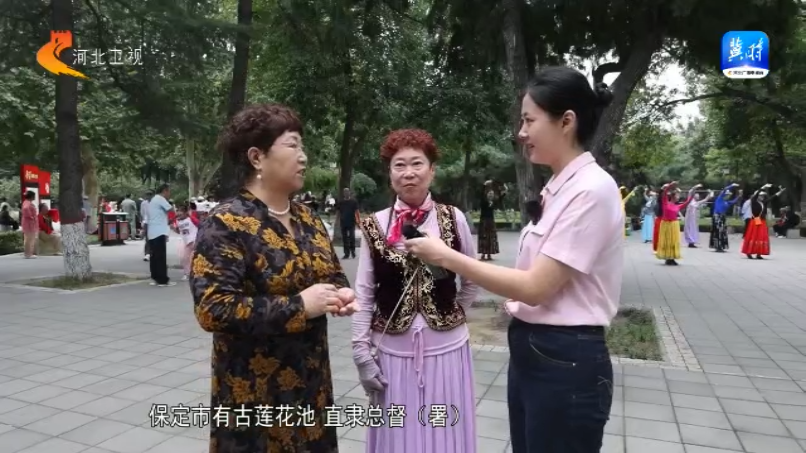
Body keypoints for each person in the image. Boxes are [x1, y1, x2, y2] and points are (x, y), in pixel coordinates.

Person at [405, 66, 622, 452]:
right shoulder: (559, 187)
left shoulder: (590, 190)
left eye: (529, 120)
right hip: (535, 350)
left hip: (565, 357)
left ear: (566, 121)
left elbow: (536, 287)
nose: (521, 132)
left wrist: (447, 257)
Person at [189, 103, 359, 452]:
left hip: (311, 386)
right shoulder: (226, 223)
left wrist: (340, 294)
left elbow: (330, 273)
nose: (304, 157)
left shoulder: (308, 219)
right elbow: (213, 309)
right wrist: (300, 306)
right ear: (257, 157)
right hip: (254, 392)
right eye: (293, 145)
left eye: (302, 146)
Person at [351, 128, 479, 453]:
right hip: (391, 353)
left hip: (447, 351)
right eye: (399, 165)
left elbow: (472, 277)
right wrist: (361, 352)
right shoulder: (374, 224)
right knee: (399, 435)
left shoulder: (453, 218)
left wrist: (452, 313)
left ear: (432, 170)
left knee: (445, 431)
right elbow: (364, 292)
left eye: (417, 163)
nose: (408, 172)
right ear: (389, 173)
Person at [656, 182, 699, 265]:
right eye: (677, 195)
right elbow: (664, 192)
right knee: (667, 241)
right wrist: (671, 185)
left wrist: (693, 191)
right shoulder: (665, 202)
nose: (679, 197)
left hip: (674, 225)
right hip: (666, 225)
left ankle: (672, 257)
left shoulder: (678, 206)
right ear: (673, 196)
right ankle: (668, 258)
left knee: (674, 242)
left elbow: (688, 201)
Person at [742, 184, 785, 259]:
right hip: (755, 221)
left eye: (763, 196)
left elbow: (772, 197)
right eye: (760, 195)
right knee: (753, 236)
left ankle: (759, 253)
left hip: (762, 221)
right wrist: (762, 188)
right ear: (757, 196)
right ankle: (749, 252)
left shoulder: (764, 203)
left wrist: (780, 192)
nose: (762, 197)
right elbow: (755, 195)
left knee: (761, 237)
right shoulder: (753, 202)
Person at [146, 184, 175, 287]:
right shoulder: (160, 199)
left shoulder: (153, 200)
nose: (169, 194)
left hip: (152, 232)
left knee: (154, 256)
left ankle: (155, 278)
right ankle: (162, 280)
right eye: (169, 191)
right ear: (164, 191)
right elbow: (171, 210)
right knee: (161, 257)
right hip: (159, 232)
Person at [708, 183, 741, 253]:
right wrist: (732, 185)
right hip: (717, 217)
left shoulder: (727, 202)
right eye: (727, 195)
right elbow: (725, 189)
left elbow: (734, 201)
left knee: (722, 232)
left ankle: (721, 246)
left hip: (722, 217)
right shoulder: (719, 199)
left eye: (729, 195)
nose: (728, 196)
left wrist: (739, 195)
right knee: (718, 231)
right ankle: (717, 246)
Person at [478, 180, 501, 260]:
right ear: (487, 194)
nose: (491, 195)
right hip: (484, 221)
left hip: (491, 221)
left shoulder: (493, 202)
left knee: (491, 238)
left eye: (492, 194)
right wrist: (484, 185)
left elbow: (501, 196)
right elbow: (481, 194)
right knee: (484, 237)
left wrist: (502, 188)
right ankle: (483, 254)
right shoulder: (483, 202)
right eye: (489, 194)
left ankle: (489, 254)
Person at [174, 205, 198, 281]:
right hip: (186, 242)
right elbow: (178, 231)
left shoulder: (191, 219)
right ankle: (187, 273)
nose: (178, 213)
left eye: (180, 211)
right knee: (184, 258)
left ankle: (193, 273)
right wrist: (173, 228)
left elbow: (200, 225)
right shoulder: (177, 221)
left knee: (192, 258)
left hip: (194, 240)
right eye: (177, 211)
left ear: (185, 213)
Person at [337, 187, 359, 259]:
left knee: (352, 237)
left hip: (351, 222)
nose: (346, 193)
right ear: (343, 193)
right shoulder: (341, 202)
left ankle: (353, 251)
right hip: (343, 222)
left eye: (347, 191)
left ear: (349, 192)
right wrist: (338, 220)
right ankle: (346, 253)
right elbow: (338, 212)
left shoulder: (353, 202)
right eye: (345, 192)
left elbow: (357, 211)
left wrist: (358, 220)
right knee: (345, 238)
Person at [21, 191, 38, 259]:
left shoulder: (27, 202)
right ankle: (28, 254)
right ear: (31, 196)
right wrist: (31, 217)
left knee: (29, 239)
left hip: (29, 223)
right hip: (29, 224)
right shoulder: (27, 203)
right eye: (34, 196)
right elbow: (25, 209)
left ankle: (29, 253)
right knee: (29, 239)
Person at [140, 190, 153, 260]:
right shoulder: (143, 203)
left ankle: (153, 253)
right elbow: (142, 212)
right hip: (147, 221)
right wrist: (142, 221)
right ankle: (147, 253)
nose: (148, 196)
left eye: (150, 194)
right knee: (147, 238)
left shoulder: (155, 203)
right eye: (147, 194)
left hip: (154, 222)